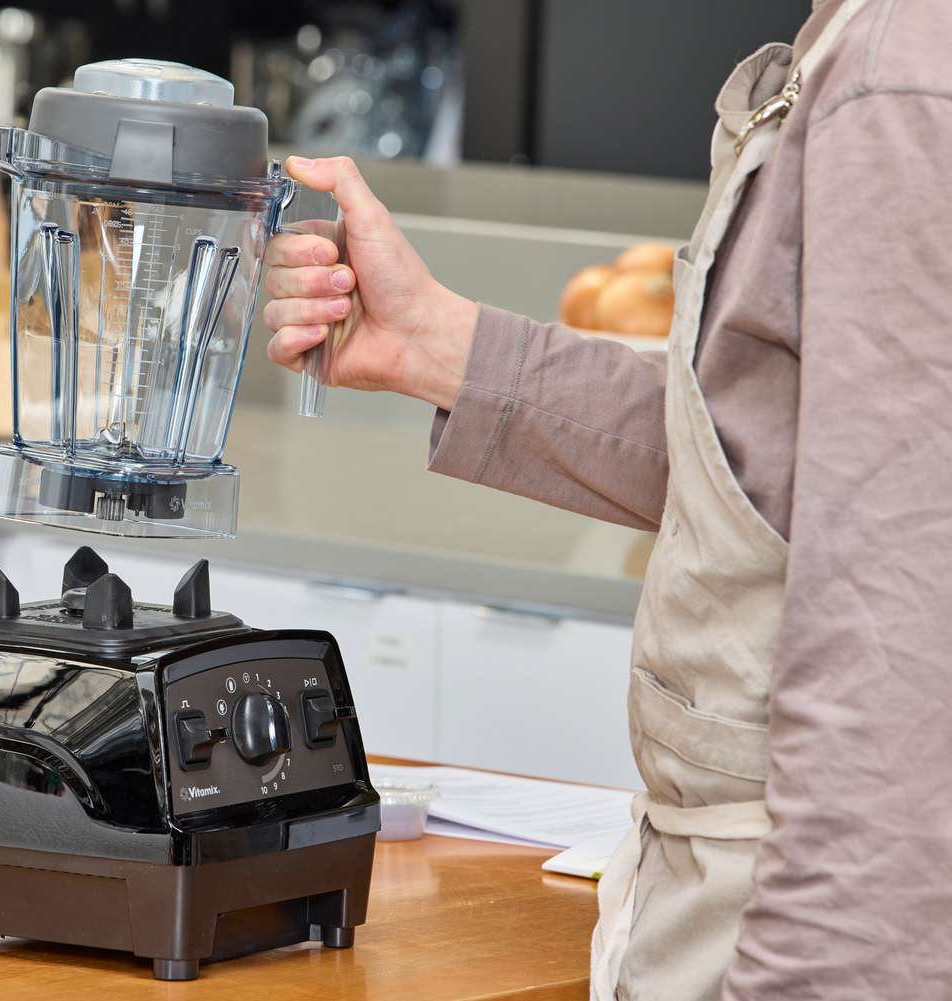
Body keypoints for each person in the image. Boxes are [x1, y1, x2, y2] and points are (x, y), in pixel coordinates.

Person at [262, 1, 952, 999]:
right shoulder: (862, 38)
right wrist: (433, 344)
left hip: (780, 921)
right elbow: (773, 465)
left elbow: (894, 639)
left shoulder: (907, 65)